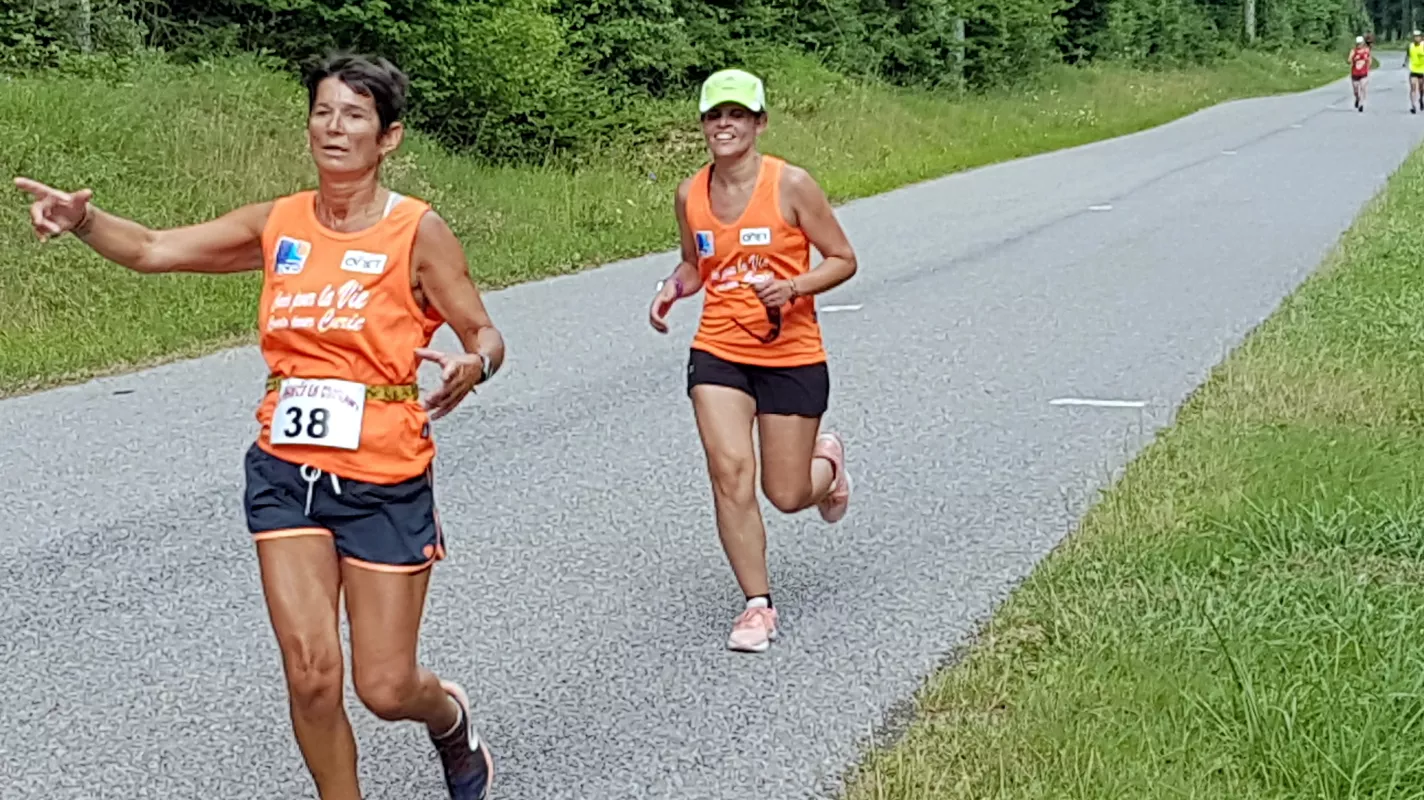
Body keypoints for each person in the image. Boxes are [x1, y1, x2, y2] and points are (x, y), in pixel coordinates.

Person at [14, 52, 501, 800]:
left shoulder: (416, 233)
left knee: (384, 685)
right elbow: (152, 248)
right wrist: (84, 222)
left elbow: (484, 333)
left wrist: (475, 363)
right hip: (285, 473)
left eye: (355, 115)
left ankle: (448, 719)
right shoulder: (280, 223)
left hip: (384, 478)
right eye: (323, 111)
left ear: (389, 137)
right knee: (311, 675)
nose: (334, 128)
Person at [647, 68, 858, 654]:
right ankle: (757, 607)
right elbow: (696, 264)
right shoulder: (691, 193)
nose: (725, 125)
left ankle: (830, 467)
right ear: (703, 125)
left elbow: (843, 258)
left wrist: (794, 288)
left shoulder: (791, 185)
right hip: (719, 349)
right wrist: (672, 285)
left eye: (737, 115)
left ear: (759, 122)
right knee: (729, 472)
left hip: (791, 352)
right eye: (715, 115)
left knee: (786, 493)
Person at [1350, 35, 1371, 111]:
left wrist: (1368, 68)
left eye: (1360, 43)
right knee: (1356, 91)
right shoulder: (1353, 51)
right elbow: (1349, 59)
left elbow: (1369, 59)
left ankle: (1361, 105)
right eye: (1358, 43)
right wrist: (1352, 60)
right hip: (1355, 73)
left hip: (1363, 73)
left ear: (1363, 43)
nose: (1359, 45)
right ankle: (1357, 99)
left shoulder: (1366, 50)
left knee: (1362, 87)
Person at [1406, 30, 1424, 113]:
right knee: (1413, 87)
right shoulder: (1410, 46)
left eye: (1418, 36)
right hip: (1413, 70)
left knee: (1421, 88)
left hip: (1422, 70)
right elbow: (1408, 55)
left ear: (1421, 37)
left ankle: (1421, 99)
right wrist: (1406, 62)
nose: (1416, 38)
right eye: (1415, 37)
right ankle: (1413, 105)